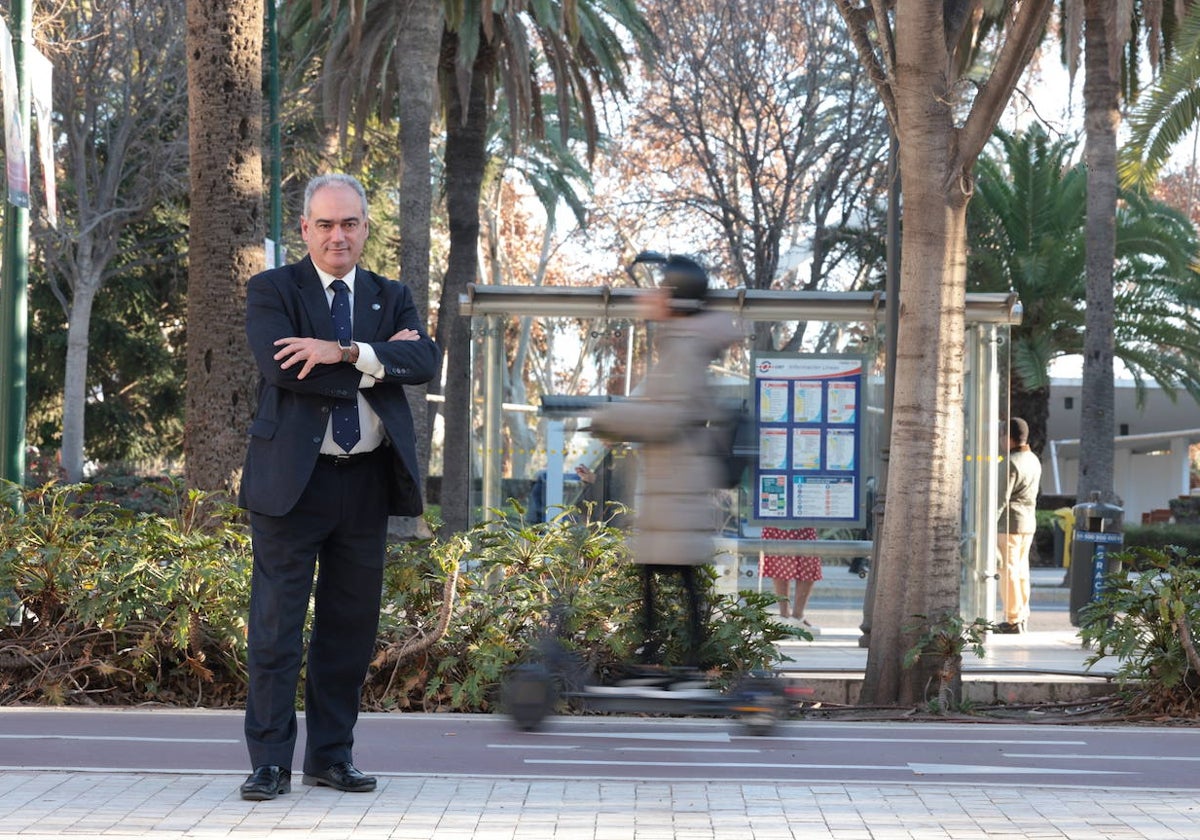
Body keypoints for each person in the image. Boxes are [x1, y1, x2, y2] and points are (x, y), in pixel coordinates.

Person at [236, 173, 441, 801]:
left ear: (365, 228)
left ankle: (330, 757)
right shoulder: (274, 288)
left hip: (366, 484)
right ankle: (269, 761)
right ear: (305, 229)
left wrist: (341, 351)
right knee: (276, 629)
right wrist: (378, 358)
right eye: (324, 224)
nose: (337, 235)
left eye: (349, 223)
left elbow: (424, 362)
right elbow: (282, 366)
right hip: (292, 487)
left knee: (348, 631)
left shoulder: (391, 293)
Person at [587, 255, 740, 670]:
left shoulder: (684, 348)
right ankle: (671, 661)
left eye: (658, 288)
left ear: (674, 297)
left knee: (663, 575)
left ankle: (672, 663)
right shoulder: (681, 343)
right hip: (675, 487)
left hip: (677, 489)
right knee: (663, 578)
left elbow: (668, 417)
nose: (648, 295)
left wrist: (609, 418)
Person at [996, 416, 1042, 634]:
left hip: (1009, 524)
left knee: (1009, 570)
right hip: (1028, 523)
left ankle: (1013, 619)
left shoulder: (1010, 462)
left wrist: (989, 524)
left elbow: (1000, 500)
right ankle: (1022, 614)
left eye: (1002, 435)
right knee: (1022, 570)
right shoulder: (1033, 459)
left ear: (1010, 438)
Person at [760, 525, 822, 633]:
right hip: (802, 518)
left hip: (777, 519)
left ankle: (786, 618)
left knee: (780, 565)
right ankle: (795, 618)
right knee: (806, 564)